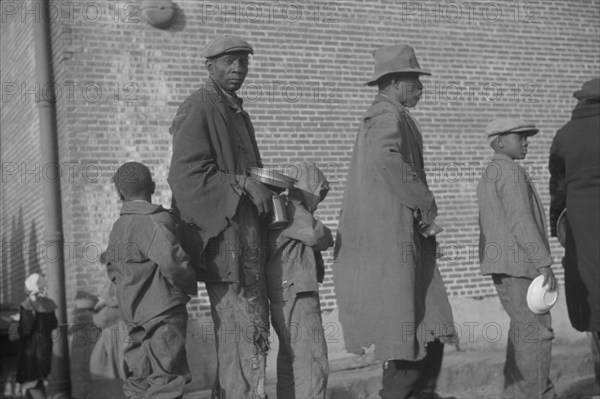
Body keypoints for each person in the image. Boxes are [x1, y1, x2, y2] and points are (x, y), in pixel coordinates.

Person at [333, 44, 456, 399]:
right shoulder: (386, 117)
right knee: (406, 330)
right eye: (414, 81)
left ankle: (420, 393)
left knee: (429, 324)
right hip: (392, 240)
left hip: (406, 238)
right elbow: (386, 159)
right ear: (395, 82)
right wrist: (425, 203)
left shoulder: (395, 115)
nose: (420, 88)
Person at [167, 35, 272, 398]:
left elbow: (249, 173)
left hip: (249, 240)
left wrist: (264, 184)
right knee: (238, 330)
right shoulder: (197, 107)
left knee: (253, 331)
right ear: (209, 66)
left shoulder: (237, 112)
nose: (239, 69)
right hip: (223, 244)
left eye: (244, 61)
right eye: (230, 61)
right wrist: (243, 183)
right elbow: (186, 177)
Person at [477, 118, 559, 399]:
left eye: (527, 137)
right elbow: (521, 221)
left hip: (505, 264)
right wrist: (543, 261)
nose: (526, 142)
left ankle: (516, 394)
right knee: (536, 333)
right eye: (519, 137)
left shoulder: (492, 170)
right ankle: (537, 394)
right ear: (499, 141)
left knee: (522, 331)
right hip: (520, 264)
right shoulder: (509, 172)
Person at [105, 161, 197, 399]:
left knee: (140, 380)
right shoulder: (154, 221)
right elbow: (173, 263)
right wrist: (188, 286)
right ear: (153, 186)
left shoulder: (118, 227)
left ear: (119, 193)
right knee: (166, 382)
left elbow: (112, 271)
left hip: (132, 316)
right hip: (162, 313)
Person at [549, 77, 600, 389]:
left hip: (583, 233)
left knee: (595, 307)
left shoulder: (564, 135)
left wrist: (560, 226)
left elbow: (558, 190)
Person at [266, 161, 333, 398]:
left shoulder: (280, 209)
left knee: (291, 364)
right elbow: (318, 235)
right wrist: (330, 235)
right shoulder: (295, 209)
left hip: (283, 297)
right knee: (313, 364)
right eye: (319, 191)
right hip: (298, 296)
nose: (320, 197)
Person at [9, 273, 58, 399]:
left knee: (30, 382)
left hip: (31, 352)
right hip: (45, 349)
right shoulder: (48, 304)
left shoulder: (27, 305)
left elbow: (26, 329)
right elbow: (54, 324)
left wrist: (15, 325)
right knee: (37, 380)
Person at [89, 263, 129, 381]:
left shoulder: (118, 287)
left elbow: (103, 319)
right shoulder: (116, 285)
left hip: (121, 340)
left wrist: (100, 306)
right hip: (118, 338)